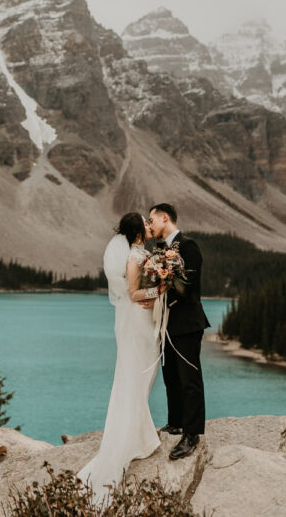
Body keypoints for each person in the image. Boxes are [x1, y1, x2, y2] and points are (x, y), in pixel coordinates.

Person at [77, 213, 160, 501]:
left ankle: (139, 434)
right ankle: (134, 440)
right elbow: (135, 293)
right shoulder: (136, 257)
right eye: (146, 225)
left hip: (135, 318)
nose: (150, 228)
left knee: (135, 376)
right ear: (138, 233)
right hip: (138, 320)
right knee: (138, 375)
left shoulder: (137, 253)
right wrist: (160, 288)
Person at [132, 203, 209, 460]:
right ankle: (175, 422)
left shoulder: (188, 246)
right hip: (165, 324)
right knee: (171, 377)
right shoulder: (160, 250)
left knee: (189, 378)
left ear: (165, 218)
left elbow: (190, 288)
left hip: (187, 323)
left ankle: (192, 434)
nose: (150, 225)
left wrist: (160, 295)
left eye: (152, 220)